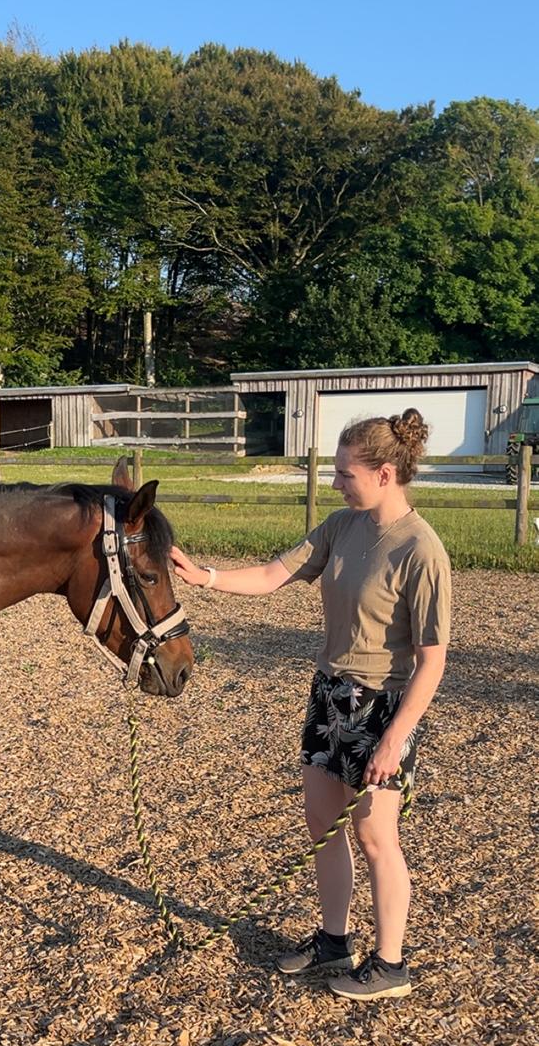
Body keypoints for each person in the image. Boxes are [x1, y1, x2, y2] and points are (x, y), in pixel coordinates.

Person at [171, 408, 451, 1002]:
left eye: (345, 473)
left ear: (384, 474)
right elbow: (276, 572)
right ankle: (333, 940)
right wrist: (207, 577)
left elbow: (432, 661)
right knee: (322, 822)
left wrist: (395, 739)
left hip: (383, 704)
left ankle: (391, 964)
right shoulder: (340, 527)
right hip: (330, 693)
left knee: (378, 838)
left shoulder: (421, 550)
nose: (335, 483)